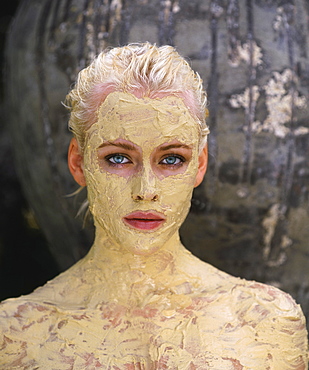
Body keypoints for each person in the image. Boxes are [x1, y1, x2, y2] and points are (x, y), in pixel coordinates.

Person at [0, 43, 308, 369]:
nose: (146, 191)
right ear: (78, 163)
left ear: (199, 165)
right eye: (118, 158)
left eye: (171, 159)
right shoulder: (18, 335)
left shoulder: (265, 323)